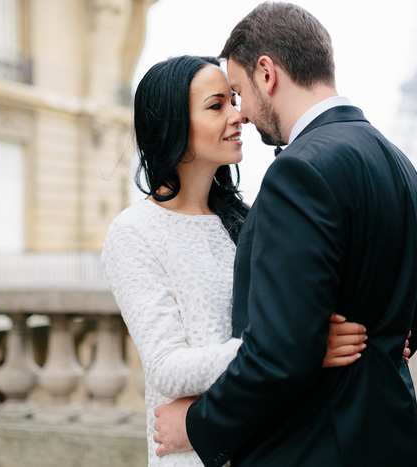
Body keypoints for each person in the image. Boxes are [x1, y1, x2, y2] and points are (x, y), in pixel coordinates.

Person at [153, 3, 417, 466]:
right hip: (394, 440)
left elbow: (280, 355)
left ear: (267, 73)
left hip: (313, 448)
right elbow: (413, 322)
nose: (242, 112)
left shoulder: (298, 171)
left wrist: (197, 424)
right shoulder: (400, 164)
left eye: (238, 90)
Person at [101, 55, 369, 466]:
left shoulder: (249, 219)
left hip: (270, 446)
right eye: (216, 105)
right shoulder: (133, 232)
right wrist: (292, 347)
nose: (238, 115)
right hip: (193, 454)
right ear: (173, 123)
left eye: (233, 100)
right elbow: (166, 368)